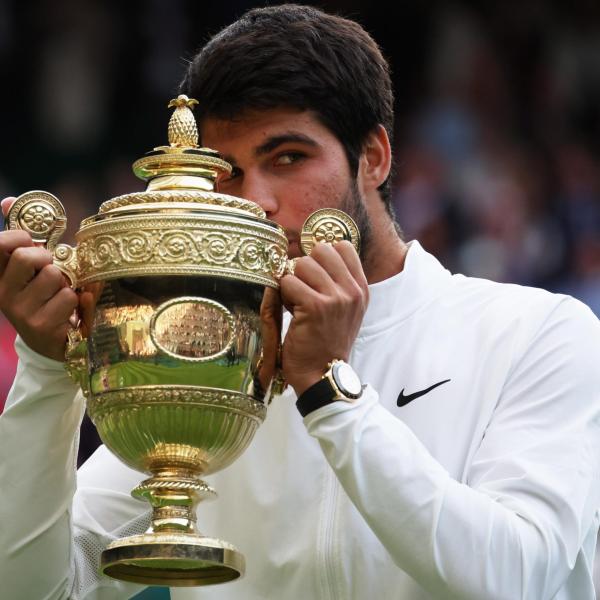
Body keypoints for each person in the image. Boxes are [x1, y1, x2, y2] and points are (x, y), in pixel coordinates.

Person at [1, 4, 600, 599]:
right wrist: (49, 371)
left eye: (288, 158)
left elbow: (518, 577)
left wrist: (328, 393)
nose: (254, 200)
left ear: (373, 158)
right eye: (227, 173)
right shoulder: (213, 364)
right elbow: (37, 591)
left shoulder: (541, 332)